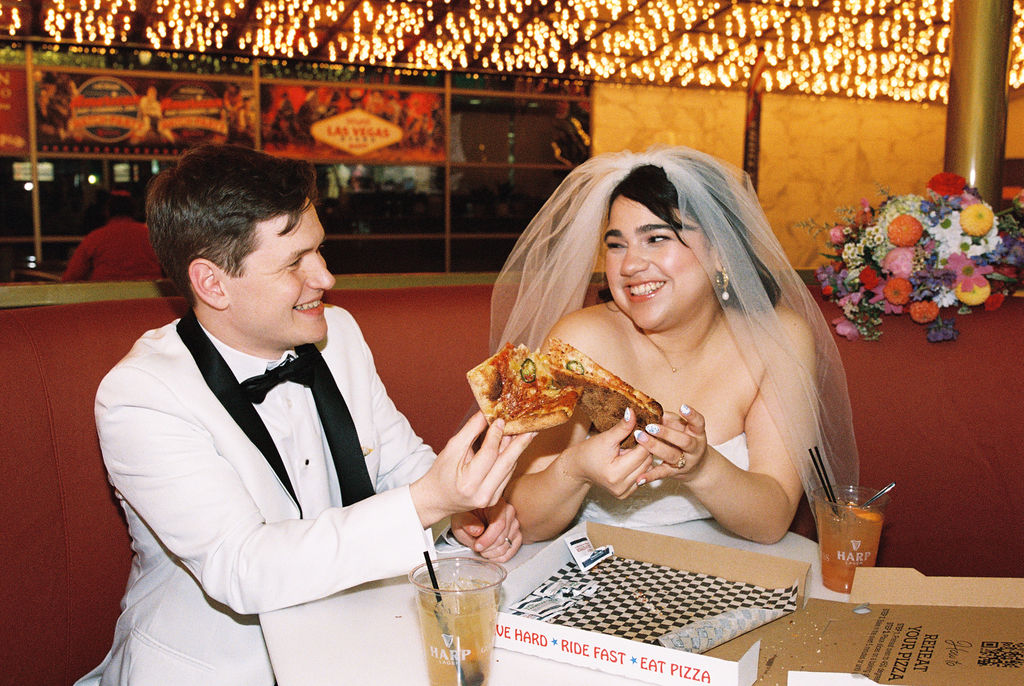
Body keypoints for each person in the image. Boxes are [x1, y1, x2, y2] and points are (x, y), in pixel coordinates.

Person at [76, 144, 533, 686]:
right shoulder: (142, 394)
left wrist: (464, 513)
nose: (326, 277)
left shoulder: (339, 333)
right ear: (212, 283)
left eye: (319, 250)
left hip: (359, 637)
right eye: (295, 262)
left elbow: (399, 463)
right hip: (224, 668)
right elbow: (242, 569)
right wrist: (430, 500)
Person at [493, 146, 858, 545]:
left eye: (656, 238)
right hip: (597, 567)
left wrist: (701, 468)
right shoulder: (574, 342)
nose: (630, 265)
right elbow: (519, 521)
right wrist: (575, 468)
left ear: (721, 252)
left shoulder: (779, 339)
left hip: (730, 571)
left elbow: (772, 520)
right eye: (616, 245)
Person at [62, 190, 164, 282]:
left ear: (107, 211)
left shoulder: (96, 237)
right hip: (149, 298)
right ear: (134, 210)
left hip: (105, 298)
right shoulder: (151, 236)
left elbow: (71, 276)